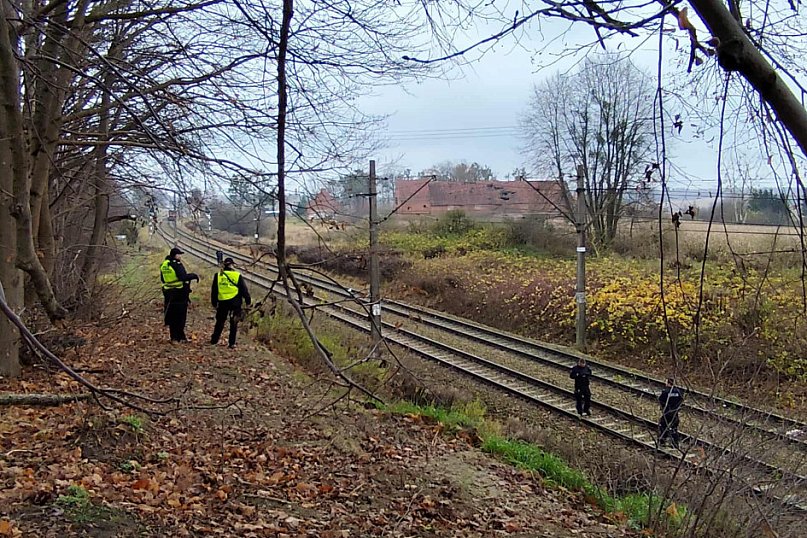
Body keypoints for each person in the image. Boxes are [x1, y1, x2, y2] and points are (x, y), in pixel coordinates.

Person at [210, 257, 251, 349]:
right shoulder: (237, 275)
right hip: (235, 302)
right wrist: (248, 301)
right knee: (233, 323)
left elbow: (214, 290)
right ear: (232, 265)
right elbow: (244, 290)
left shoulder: (218, 275)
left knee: (220, 322)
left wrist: (214, 302)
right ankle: (232, 343)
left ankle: (214, 340)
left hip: (222, 302)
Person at [160, 247, 199, 343]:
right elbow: (182, 277)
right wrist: (193, 276)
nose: (180, 257)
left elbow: (162, 279)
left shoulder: (164, 265)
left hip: (168, 292)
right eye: (179, 255)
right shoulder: (176, 264)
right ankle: (180, 337)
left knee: (172, 315)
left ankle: (174, 337)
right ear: (175, 255)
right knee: (180, 315)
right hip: (179, 293)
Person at [658, 377, 685, 448]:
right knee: (674, 428)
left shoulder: (665, 392)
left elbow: (661, 401)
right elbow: (681, 401)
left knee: (663, 426)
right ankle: (675, 443)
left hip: (667, 412)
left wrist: (663, 408)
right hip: (675, 413)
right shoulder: (679, 391)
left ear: (668, 383)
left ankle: (662, 442)